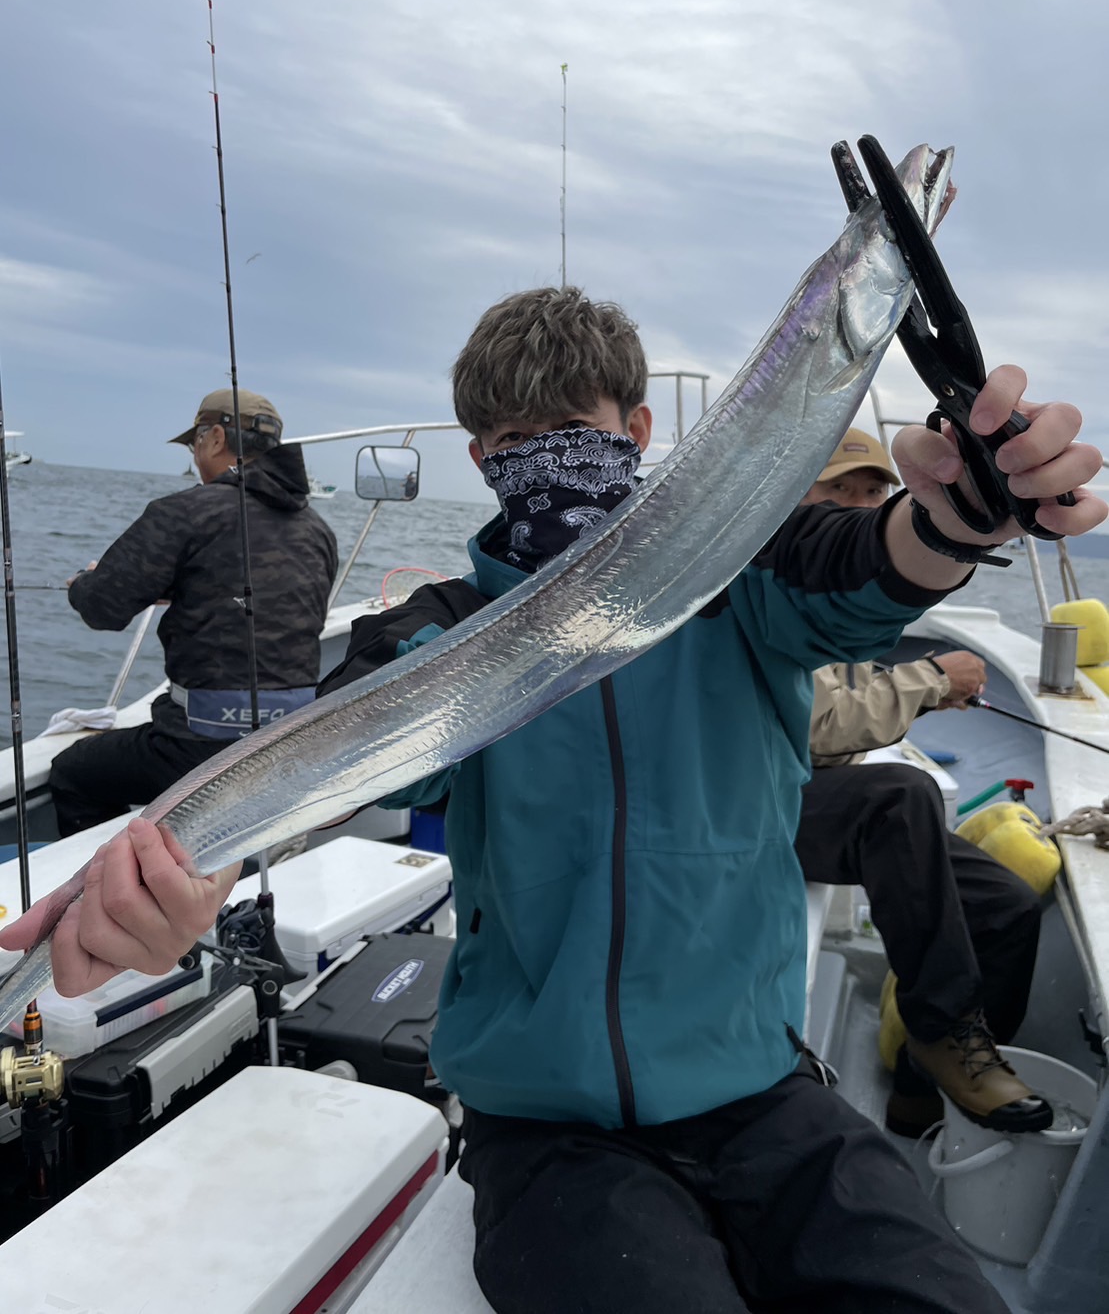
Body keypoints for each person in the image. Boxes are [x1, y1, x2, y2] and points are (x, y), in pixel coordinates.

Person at [4, 289, 1104, 1314]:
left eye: (572, 428)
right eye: (514, 439)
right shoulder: (437, 632)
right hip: (543, 1128)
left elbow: (874, 562)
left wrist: (960, 514)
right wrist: (191, 875)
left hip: (764, 1091)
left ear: (637, 430)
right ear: (480, 460)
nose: (545, 458)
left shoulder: (738, 590)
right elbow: (335, 761)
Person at [797, 429, 1045, 1138]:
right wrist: (930, 680)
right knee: (901, 795)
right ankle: (941, 1026)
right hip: (752, 796)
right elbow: (813, 725)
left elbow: (837, 696)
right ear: (794, 497)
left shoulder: (841, 588)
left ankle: (919, 1085)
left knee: (1007, 907)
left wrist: (915, 689)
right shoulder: (769, 579)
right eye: (837, 489)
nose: (858, 504)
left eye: (872, 491)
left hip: (821, 792)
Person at [47, 389, 338, 835]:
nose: (195, 454)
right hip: (285, 744)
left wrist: (84, 583)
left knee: (73, 772)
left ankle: (126, 875)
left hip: (197, 747)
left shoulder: (184, 512)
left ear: (215, 437)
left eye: (194, 443)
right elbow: (265, 599)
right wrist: (180, 588)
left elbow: (102, 609)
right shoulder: (317, 530)